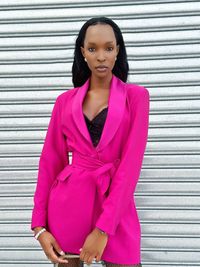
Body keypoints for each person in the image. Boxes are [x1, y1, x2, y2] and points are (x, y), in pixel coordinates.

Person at [31, 16, 150, 267]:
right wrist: (40, 227)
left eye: (108, 48)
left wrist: (103, 229)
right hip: (68, 206)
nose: (101, 56)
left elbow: (130, 166)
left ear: (118, 50)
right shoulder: (64, 101)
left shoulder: (136, 97)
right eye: (93, 49)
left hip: (116, 209)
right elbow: (50, 162)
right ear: (82, 52)